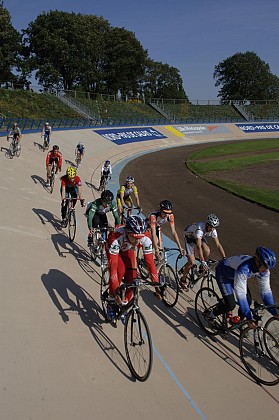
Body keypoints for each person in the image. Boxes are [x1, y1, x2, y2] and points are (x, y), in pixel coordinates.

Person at [105, 215, 161, 319]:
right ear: (127, 232)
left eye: (139, 238)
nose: (137, 241)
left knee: (133, 279)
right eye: (134, 237)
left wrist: (157, 287)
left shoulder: (146, 238)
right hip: (114, 248)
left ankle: (124, 303)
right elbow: (113, 270)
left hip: (128, 249)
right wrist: (116, 293)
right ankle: (111, 301)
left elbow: (150, 264)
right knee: (120, 271)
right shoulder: (117, 236)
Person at [208, 247, 278, 327]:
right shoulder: (244, 268)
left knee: (248, 301)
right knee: (230, 304)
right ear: (258, 262)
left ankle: (238, 322)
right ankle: (211, 315)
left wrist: (274, 312)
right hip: (224, 275)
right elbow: (240, 294)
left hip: (236, 276)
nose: (266, 270)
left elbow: (266, 292)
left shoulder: (264, 271)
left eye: (268, 268)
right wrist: (249, 318)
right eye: (265, 267)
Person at [180, 214, 226, 290]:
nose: (212, 229)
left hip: (199, 237)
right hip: (189, 237)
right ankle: (183, 280)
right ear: (207, 224)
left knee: (207, 251)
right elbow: (198, 247)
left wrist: (224, 257)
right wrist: (203, 261)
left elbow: (218, 245)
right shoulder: (200, 229)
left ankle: (201, 267)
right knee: (191, 262)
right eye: (211, 226)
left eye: (213, 227)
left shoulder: (213, 230)